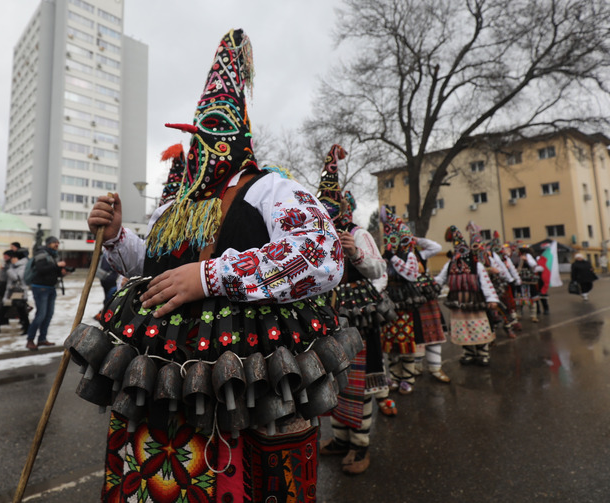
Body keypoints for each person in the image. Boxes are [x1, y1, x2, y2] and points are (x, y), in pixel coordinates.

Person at [86, 29, 346, 502]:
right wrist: (117, 238)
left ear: (241, 132)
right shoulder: (175, 205)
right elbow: (150, 267)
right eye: (200, 131)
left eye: (218, 127)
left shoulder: (272, 189)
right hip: (166, 369)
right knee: (165, 474)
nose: (206, 142)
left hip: (251, 368)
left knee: (253, 475)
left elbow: (321, 256)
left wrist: (210, 276)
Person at [316, 145, 388, 475]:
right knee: (336, 381)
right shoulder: (319, 237)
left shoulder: (359, 233)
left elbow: (379, 271)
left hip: (359, 319)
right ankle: (341, 440)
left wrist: (355, 252)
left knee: (359, 383)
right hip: (329, 317)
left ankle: (361, 447)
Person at [380, 206, 448, 389]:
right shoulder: (386, 255)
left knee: (408, 339)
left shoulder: (410, 254)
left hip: (408, 301)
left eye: (395, 237)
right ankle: (394, 376)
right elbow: (380, 276)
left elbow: (411, 274)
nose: (392, 241)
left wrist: (395, 256)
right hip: (391, 302)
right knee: (390, 340)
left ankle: (410, 376)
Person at [435, 225, 499, 366]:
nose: (460, 257)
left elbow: (486, 283)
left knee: (478, 327)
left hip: (475, 301)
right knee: (463, 328)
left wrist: (492, 298)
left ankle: (483, 353)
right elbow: (440, 279)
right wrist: (431, 288)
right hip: (457, 303)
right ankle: (469, 353)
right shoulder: (450, 265)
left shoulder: (477, 266)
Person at [26, 236, 68, 351]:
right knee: (40, 315)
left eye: (58, 242)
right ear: (48, 243)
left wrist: (62, 272)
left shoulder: (53, 255)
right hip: (40, 288)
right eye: (54, 242)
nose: (57, 244)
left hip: (51, 288)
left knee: (48, 315)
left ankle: (42, 339)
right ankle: (30, 340)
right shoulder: (41, 253)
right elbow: (41, 269)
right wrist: (56, 266)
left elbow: (52, 271)